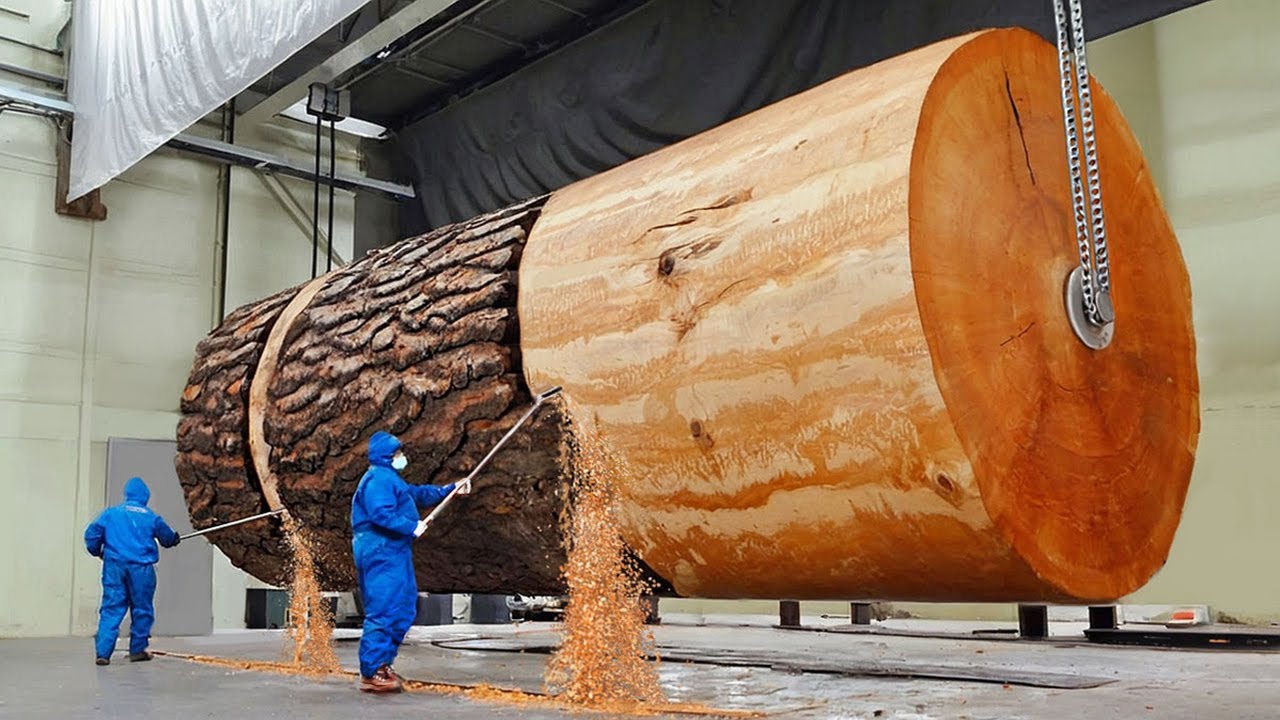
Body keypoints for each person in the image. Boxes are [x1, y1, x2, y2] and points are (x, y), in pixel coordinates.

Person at [351, 430, 470, 693]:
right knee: (384, 608)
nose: (401, 457)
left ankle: (383, 663)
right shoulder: (377, 480)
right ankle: (371, 671)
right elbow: (380, 513)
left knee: (402, 606)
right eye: (397, 453)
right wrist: (410, 526)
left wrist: (449, 490)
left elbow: (416, 494)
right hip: (380, 551)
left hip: (395, 551)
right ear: (386, 456)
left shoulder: (390, 478)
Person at [84, 476, 181, 665]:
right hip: (141, 569)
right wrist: (174, 538)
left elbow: (91, 534)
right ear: (145, 497)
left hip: (115, 566)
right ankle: (137, 650)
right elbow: (167, 538)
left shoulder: (111, 514)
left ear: (127, 495)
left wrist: (98, 551)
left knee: (111, 608)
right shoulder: (151, 517)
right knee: (142, 608)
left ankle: (103, 653)